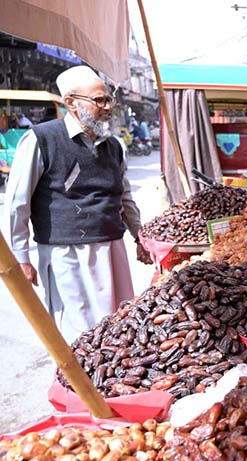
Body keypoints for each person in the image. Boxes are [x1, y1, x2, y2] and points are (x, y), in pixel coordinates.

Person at [2, 65, 152, 342]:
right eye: (99, 100)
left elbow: (124, 196)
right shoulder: (41, 139)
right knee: (79, 332)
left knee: (119, 326)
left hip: (111, 248)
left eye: (109, 99)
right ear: (71, 103)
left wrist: (140, 237)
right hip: (66, 254)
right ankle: (80, 385)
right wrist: (21, 258)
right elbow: (17, 204)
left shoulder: (114, 146)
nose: (108, 107)